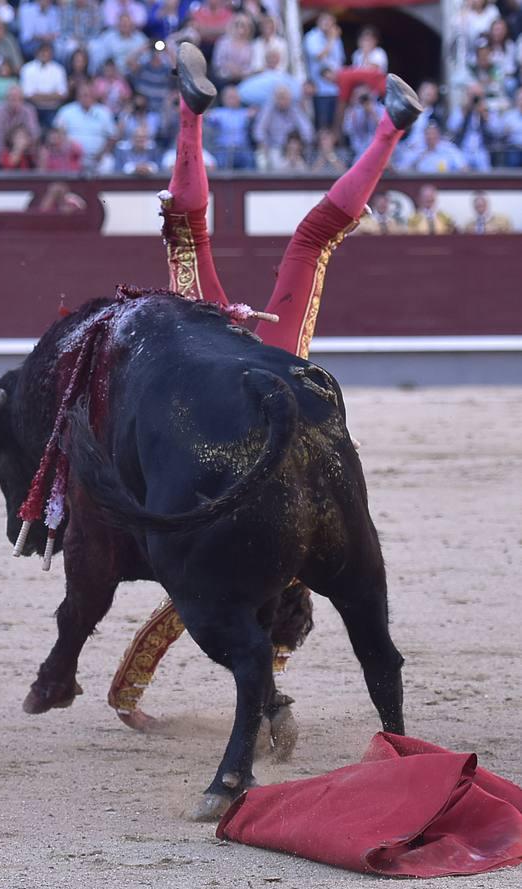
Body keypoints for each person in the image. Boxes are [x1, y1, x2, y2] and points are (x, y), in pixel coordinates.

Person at [107, 42, 422, 729]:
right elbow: (149, 654)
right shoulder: (240, 581)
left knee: (310, 240)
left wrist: (126, 704)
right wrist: (126, 700)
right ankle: (195, 116)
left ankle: (390, 127)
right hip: (223, 355)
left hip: (257, 357)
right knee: (189, 236)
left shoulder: (317, 555)